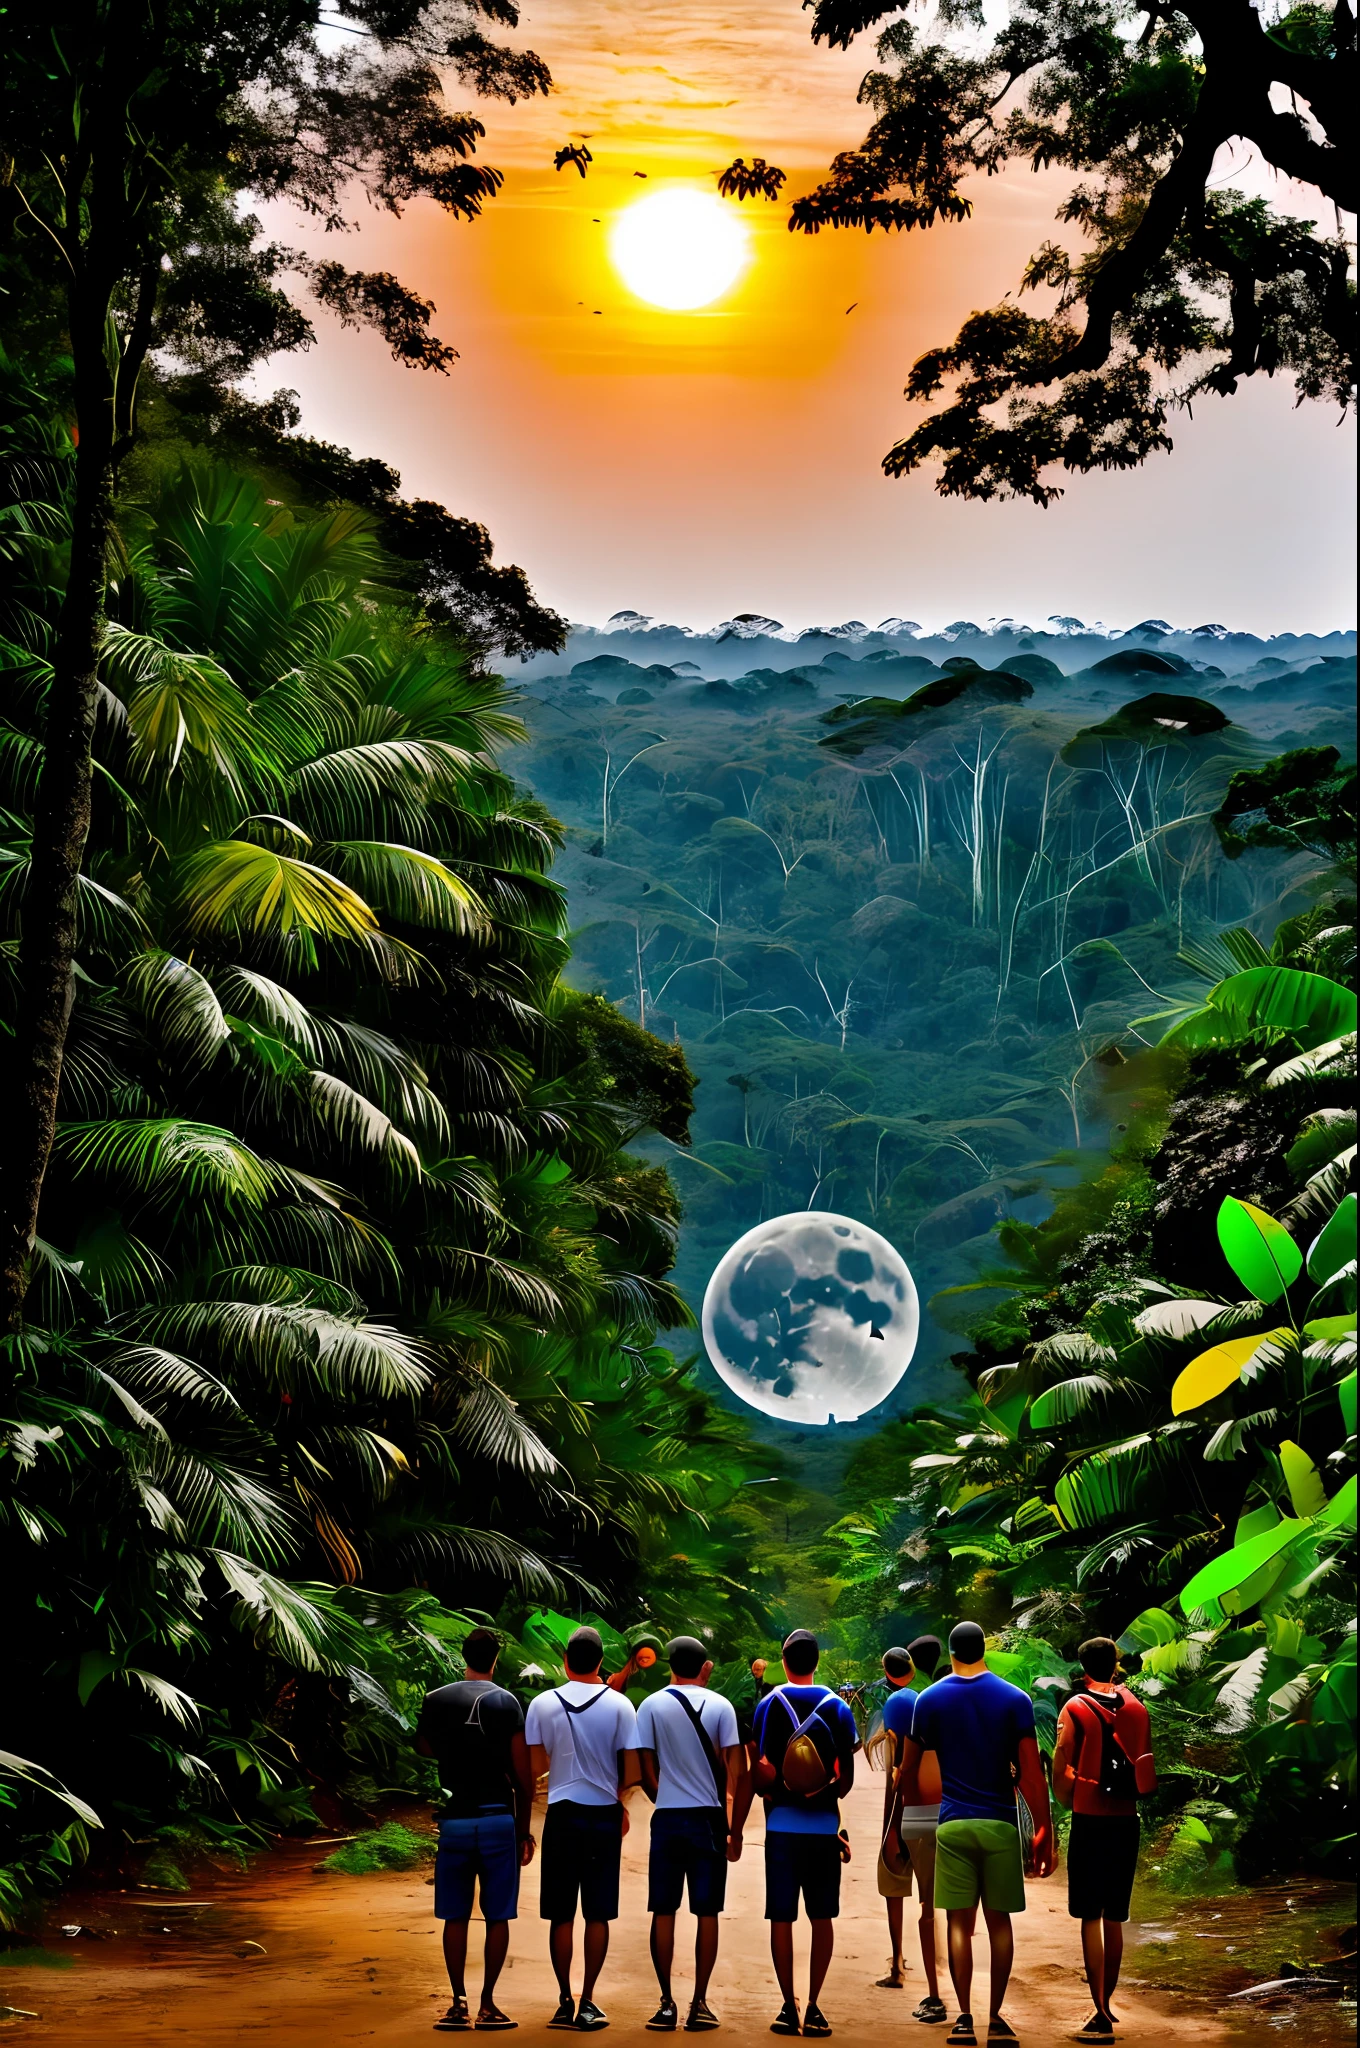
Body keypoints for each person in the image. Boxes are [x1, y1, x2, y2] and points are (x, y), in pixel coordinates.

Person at [896, 1621, 1056, 2047]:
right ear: (983, 1649)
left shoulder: (928, 1700)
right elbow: (1031, 1776)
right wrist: (1045, 1829)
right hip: (1000, 1823)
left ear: (950, 1654)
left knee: (958, 1924)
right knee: (999, 1925)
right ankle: (997, 2019)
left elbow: (909, 1765)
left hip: (952, 1824)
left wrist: (899, 1786)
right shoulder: (1014, 1700)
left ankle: (964, 2018)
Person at [416, 1626, 536, 2033]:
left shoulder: (436, 1700)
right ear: (496, 1659)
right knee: (497, 1915)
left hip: (455, 1821)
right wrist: (525, 1830)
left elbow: (424, 1746)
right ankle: (487, 2004)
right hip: (497, 1819)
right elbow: (523, 1777)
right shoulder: (507, 1702)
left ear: (462, 1655)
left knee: (456, 1916)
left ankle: (457, 2002)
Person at [634, 1635, 754, 2032]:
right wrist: (734, 1831)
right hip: (708, 1820)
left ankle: (666, 2002)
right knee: (707, 1912)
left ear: (669, 1663)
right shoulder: (720, 1706)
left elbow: (644, 1767)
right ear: (705, 1668)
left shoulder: (650, 1705)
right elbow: (737, 1770)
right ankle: (699, 2002)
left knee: (663, 1910)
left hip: (668, 1818)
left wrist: (661, 1797)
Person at [525, 1625, 641, 2032]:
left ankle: (562, 2001)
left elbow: (536, 1767)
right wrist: (619, 1800)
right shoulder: (621, 1707)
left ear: (565, 1661)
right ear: (599, 1662)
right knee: (597, 1913)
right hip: (603, 1816)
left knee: (561, 1914)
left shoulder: (542, 1704)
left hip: (561, 1814)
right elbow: (631, 1771)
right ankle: (588, 2000)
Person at [749, 1628, 859, 2039]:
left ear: (783, 1659)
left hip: (780, 1827)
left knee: (781, 1916)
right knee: (821, 1917)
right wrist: (820, 1793)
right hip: (823, 1829)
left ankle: (786, 2005)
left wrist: (779, 1789)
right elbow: (845, 1782)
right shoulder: (837, 1707)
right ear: (817, 1661)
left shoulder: (767, 1705)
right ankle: (814, 2006)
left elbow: (760, 1777)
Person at [1053, 1637, 1156, 2042]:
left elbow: (1062, 1769)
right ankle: (1108, 2004)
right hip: (1126, 1822)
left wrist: (1067, 1801)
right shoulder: (1136, 1708)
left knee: (1089, 1917)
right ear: (1115, 1666)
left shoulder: (1074, 1708)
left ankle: (1097, 2011)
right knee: (1115, 1917)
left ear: (1081, 1667)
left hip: (1090, 1819)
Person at [876, 1645, 946, 2023]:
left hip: (911, 1809)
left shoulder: (898, 1705)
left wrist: (890, 1825)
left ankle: (899, 1964)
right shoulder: (932, 1698)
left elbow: (899, 1774)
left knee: (894, 1883)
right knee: (931, 1897)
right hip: (943, 1808)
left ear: (886, 1670)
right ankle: (933, 1969)